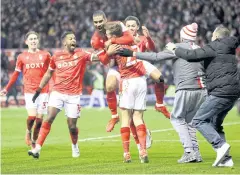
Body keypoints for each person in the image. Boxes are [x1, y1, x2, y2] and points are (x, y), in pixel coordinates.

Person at [119, 23, 206, 163]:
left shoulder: (176, 47)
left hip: (185, 89)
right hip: (201, 89)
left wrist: (133, 53)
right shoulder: (199, 48)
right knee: (190, 122)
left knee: (177, 119)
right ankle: (196, 153)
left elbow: (156, 56)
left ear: (183, 36)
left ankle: (189, 151)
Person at [168, 26, 240, 167]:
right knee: (215, 124)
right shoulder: (229, 47)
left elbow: (190, 55)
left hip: (220, 92)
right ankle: (226, 160)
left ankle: (220, 146)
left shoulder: (214, 46)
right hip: (233, 93)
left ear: (216, 36)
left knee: (198, 120)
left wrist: (174, 48)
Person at [91, 11, 170, 134]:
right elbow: (104, 61)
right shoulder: (95, 40)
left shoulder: (117, 25)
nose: (98, 24)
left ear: (106, 19)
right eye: (96, 22)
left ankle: (159, 104)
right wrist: (108, 53)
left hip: (136, 62)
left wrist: (112, 41)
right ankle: (114, 117)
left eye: (100, 21)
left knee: (159, 78)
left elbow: (130, 39)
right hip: (117, 66)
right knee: (110, 86)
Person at [28, 31, 98, 159]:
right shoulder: (56, 56)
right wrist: (39, 89)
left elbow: (97, 57)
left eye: (75, 38)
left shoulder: (81, 54)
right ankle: (37, 148)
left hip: (73, 95)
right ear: (64, 42)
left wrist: (108, 50)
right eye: (71, 38)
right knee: (49, 117)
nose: (74, 40)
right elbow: (49, 74)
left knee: (72, 126)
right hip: (57, 92)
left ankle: (75, 145)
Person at [104, 22, 150, 163]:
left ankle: (127, 154)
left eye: (107, 33)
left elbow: (108, 63)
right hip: (141, 80)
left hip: (127, 81)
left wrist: (108, 49)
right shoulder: (133, 40)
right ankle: (143, 150)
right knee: (138, 117)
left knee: (125, 118)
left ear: (112, 35)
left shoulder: (114, 46)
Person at [0, 31, 51, 148]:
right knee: (32, 117)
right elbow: (15, 74)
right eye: (31, 39)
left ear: (38, 41)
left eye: (35, 39)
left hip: (43, 91)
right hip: (29, 90)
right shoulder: (21, 57)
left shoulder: (46, 55)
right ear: (26, 42)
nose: (33, 41)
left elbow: (51, 71)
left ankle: (34, 141)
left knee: (39, 121)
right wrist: (6, 89)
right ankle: (28, 132)